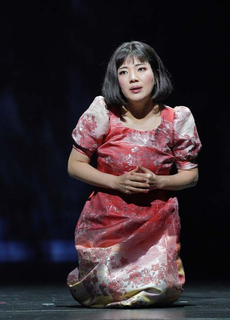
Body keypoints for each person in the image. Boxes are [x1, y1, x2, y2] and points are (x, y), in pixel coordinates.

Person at [66, 41, 202, 308]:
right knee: (104, 289)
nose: (134, 78)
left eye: (141, 68)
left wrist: (159, 181)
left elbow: (191, 176)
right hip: (108, 224)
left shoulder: (176, 119)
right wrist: (116, 182)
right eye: (124, 72)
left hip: (155, 223)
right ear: (116, 79)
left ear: (156, 74)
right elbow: (75, 164)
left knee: (159, 289)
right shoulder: (104, 113)